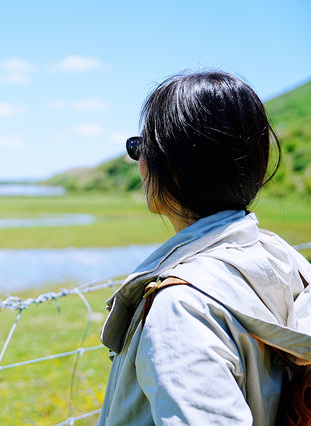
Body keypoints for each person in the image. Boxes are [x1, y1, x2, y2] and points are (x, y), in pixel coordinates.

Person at [96, 71, 311, 425]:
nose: (138, 163)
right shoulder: (284, 260)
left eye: (140, 147)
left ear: (175, 168)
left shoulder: (181, 307)